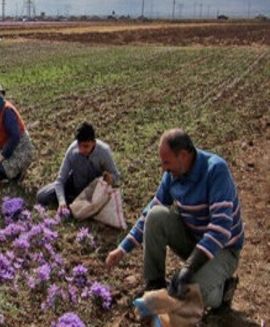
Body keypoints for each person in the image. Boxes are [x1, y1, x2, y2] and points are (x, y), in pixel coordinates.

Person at [105, 128, 243, 312]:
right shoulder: (172, 175)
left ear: (183, 155)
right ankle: (155, 284)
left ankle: (223, 290)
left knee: (189, 291)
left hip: (224, 249)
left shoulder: (215, 170)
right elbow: (152, 209)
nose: (163, 169)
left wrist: (189, 267)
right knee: (156, 215)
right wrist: (122, 249)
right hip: (195, 241)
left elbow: (221, 230)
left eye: (166, 162)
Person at [36, 122, 120, 212]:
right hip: (76, 185)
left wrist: (109, 179)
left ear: (93, 142)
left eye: (86, 146)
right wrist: (62, 201)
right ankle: (72, 202)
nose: (82, 150)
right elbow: (60, 180)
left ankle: (77, 204)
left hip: (94, 190)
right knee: (42, 196)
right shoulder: (72, 151)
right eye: (79, 146)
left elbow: (116, 176)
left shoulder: (103, 152)